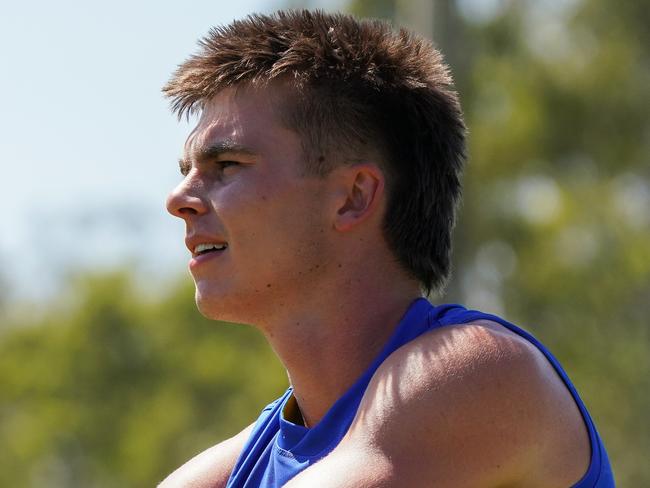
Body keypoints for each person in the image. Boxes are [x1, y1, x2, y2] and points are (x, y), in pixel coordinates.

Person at [160, 10, 614, 488]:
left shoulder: (480, 374)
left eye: (227, 164)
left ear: (353, 196)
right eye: (186, 169)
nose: (178, 199)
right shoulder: (236, 466)